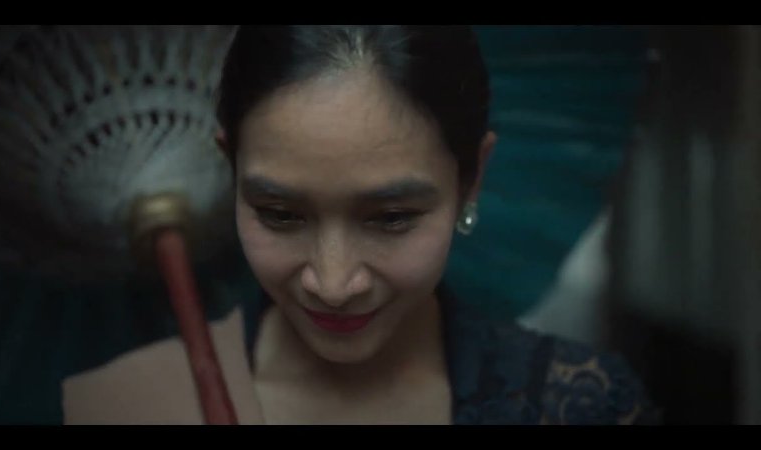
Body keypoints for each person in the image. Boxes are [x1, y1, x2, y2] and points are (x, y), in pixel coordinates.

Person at [62, 25, 658, 425]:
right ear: (231, 171)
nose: (333, 282)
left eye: (392, 218)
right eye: (279, 214)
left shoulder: (580, 406)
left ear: (471, 179)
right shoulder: (121, 408)